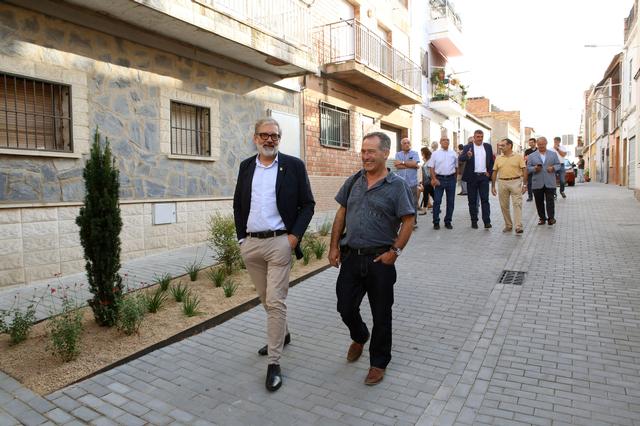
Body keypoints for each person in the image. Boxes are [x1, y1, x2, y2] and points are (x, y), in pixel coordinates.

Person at [233, 118, 315, 392]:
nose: (270, 139)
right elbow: (238, 204)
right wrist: (242, 239)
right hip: (252, 245)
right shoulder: (246, 166)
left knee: (275, 301)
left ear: (279, 138)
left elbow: (308, 204)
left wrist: (293, 238)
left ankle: (274, 362)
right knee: (265, 298)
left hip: (280, 242)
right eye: (264, 135)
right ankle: (283, 334)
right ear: (255, 137)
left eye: (275, 136)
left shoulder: (293, 166)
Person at [328, 131, 415, 386]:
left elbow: (408, 221)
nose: (365, 156)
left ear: (385, 154)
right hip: (351, 258)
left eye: (371, 152)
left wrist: (395, 252)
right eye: (363, 151)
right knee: (345, 306)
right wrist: (333, 247)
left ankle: (378, 363)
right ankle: (359, 335)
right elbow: (341, 213)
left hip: (380, 261)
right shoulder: (354, 181)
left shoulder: (397, 186)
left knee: (381, 314)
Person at [491, 138, 528, 234]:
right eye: (500, 145)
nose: (500, 147)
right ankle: (508, 225)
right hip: (502, 183)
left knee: (517, 204)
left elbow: (524, 170)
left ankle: (518, 226)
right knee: (504, 205)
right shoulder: (498, 158)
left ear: (509, 146)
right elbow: (494, 171)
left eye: (503, 145)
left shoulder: (518, 157)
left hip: (516, 182)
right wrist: (493, 186)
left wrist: (525, 184)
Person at [459, 129, 494, 229]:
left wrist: (489, 172)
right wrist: (467, 156)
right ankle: (474, 221)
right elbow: (461, 159)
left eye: (481, 137)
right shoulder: (468, 147)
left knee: (485, 200)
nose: (480, 139)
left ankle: (487, 222)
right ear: (474, 138)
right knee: (472, 201)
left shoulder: (487, 147)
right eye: (478, 137)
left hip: (483, 177)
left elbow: (491, 161)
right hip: (472, 177)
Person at [526, 137, 561, 225]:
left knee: (550, 201)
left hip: (550, 181)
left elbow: (558, 165)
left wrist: (553, 168)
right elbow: (528, 168)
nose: (541, 146)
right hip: (537, 182)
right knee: (539, 201)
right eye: (539, 144)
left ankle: (551, 218)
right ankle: (542, 218)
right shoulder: (531, 156)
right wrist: (535, 168)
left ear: (546, 143)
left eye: (543, 144)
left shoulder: (553, 154)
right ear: (537, 144)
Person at [428, 137, 458, 229]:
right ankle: (436, 222)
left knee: (451, 202)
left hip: (451, 179)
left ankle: (448, 221)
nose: (446, 141)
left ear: (449, 142)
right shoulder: (435, 154)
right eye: (444, 140)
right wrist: (434, 179)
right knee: (437, 201)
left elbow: (456, 167)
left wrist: (455, 179)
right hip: (439, 179)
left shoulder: (454, 153)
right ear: (440, 142)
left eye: (447, 140)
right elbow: (431, 167)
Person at [394, 138, 420, 228]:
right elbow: (397, 166)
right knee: (401, 203)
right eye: (404, 143)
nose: (407, 144)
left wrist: (402, 162)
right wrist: (411, 165)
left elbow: (414, 163)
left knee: (413, 203)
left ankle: (413, 222)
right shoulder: (398, 154)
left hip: (412, 182)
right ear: (401, 145)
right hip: (401, 183)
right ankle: (403, 222)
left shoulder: (414, 153)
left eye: (408, 143)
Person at [418, 147, 434, 214]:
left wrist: (432, 179)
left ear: (425, 153)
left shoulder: (430, 161)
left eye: (422, 153)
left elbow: (429, 171)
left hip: (429, 180)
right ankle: (437, 207)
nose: (421, 154)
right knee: (433, 194)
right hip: (426, 181)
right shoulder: (426, 161)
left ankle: (424, 210)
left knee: (426, 194)